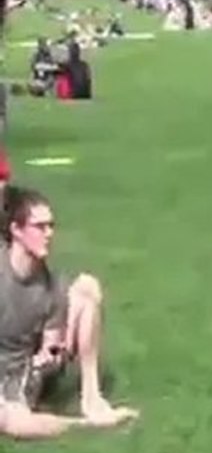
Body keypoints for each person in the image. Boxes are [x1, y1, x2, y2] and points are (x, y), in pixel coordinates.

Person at [0, 186, 139, 438]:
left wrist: (49, 353)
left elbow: (50, 346)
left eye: (51, 226)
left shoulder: (52, 285)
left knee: (87, 287)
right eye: (40, 227)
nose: (49, 234)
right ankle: (87, 426)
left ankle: (92, 397)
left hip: (27, 372)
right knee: (7, 419)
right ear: (16, 231)